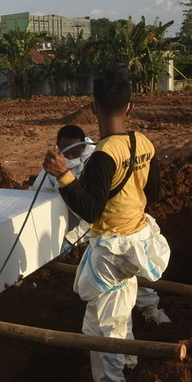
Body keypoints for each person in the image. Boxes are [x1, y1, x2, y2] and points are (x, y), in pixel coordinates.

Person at [42, 67, 170, 382]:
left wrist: (63, 176)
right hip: (138, 239)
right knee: (120, 308)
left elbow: (92, 211)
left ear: (94, 107)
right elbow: (154, 193)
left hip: (112, 250)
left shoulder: (102, 155)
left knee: (101, 326)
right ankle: (129, 364)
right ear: (130, 107)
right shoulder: (143, 143)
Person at [33, 125, 171, 325]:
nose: (70, 155)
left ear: (83, 146)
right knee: (118, 285)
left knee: (116, 299)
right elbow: (39, 196)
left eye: (75, 151)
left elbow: (93, 210)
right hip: (100, 231)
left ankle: (150, 311)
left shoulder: (97, 159)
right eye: (66, 151)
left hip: (109, 231)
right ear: (57, 146)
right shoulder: (53, 168)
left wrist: (64, 177)